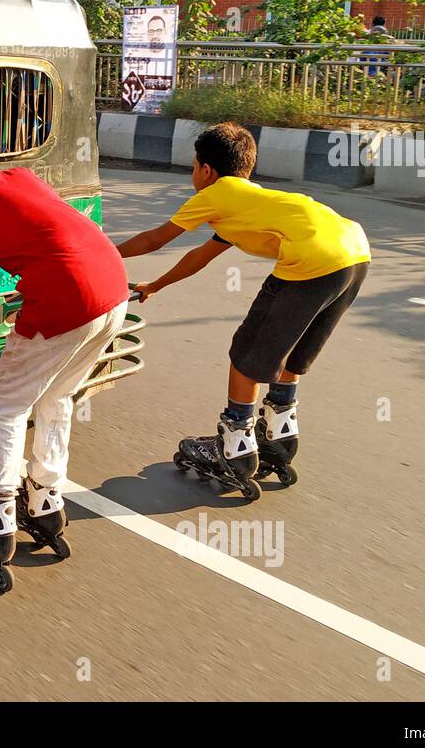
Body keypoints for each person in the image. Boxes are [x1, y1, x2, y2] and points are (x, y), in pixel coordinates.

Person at [0, 105, 129, 574]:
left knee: (6, 405)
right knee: (57, 394)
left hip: (67, 300)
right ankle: (47, 500)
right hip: (114, 290)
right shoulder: (18, 178)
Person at [118, 122, 370, 488]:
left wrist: (103, 252)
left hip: (311, 258)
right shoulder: (248, 203)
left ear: (206, 170)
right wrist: (156, 284)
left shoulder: (214, 194)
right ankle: (279, 436)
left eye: (193, 167)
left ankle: (235, 446)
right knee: (293, 351)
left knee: (246, 354)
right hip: (354, 254)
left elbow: (157, 238)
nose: (193, 174)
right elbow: (200, 255)